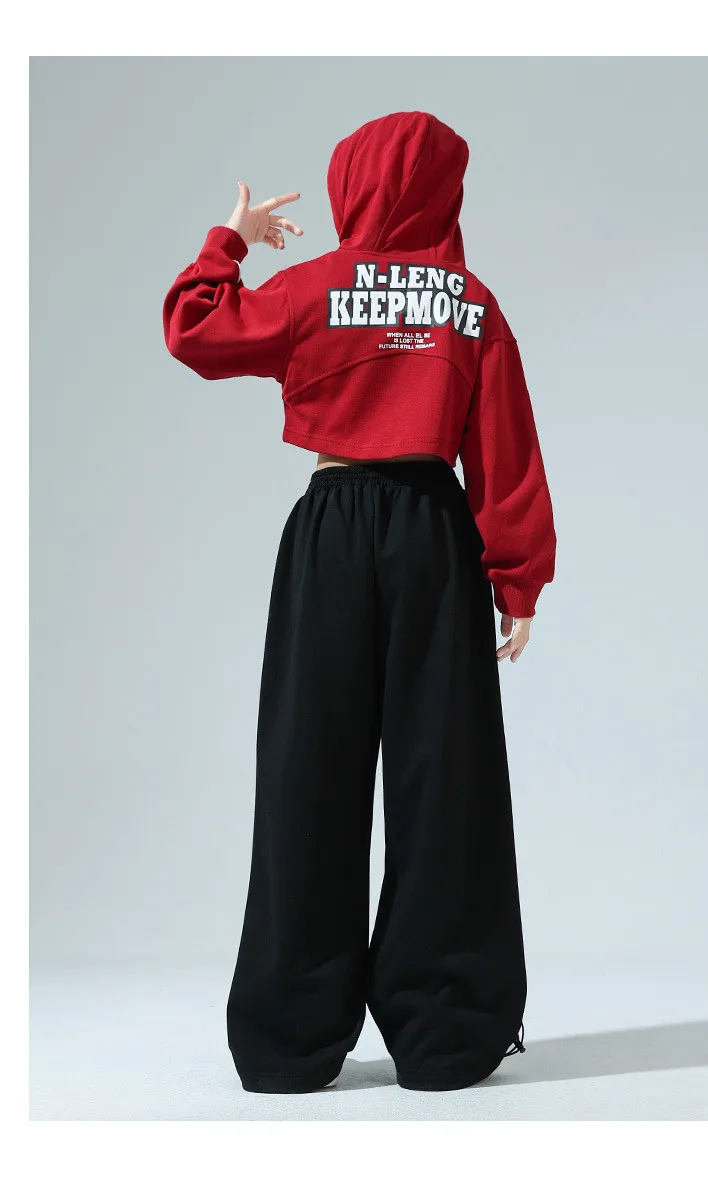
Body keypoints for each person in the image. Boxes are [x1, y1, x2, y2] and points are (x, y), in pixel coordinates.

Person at [162, 111, 556, 1094]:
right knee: (445, 776)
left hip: (332, 530)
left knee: (309, 768)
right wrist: (516, 578)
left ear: (352, 184)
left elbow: (196, 330)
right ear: (447, 191)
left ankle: (289, 1035)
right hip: (435, 534)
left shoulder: (313, 287)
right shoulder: (470, 302)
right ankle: (447, 1028)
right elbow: (503, 447)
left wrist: (230, 242)